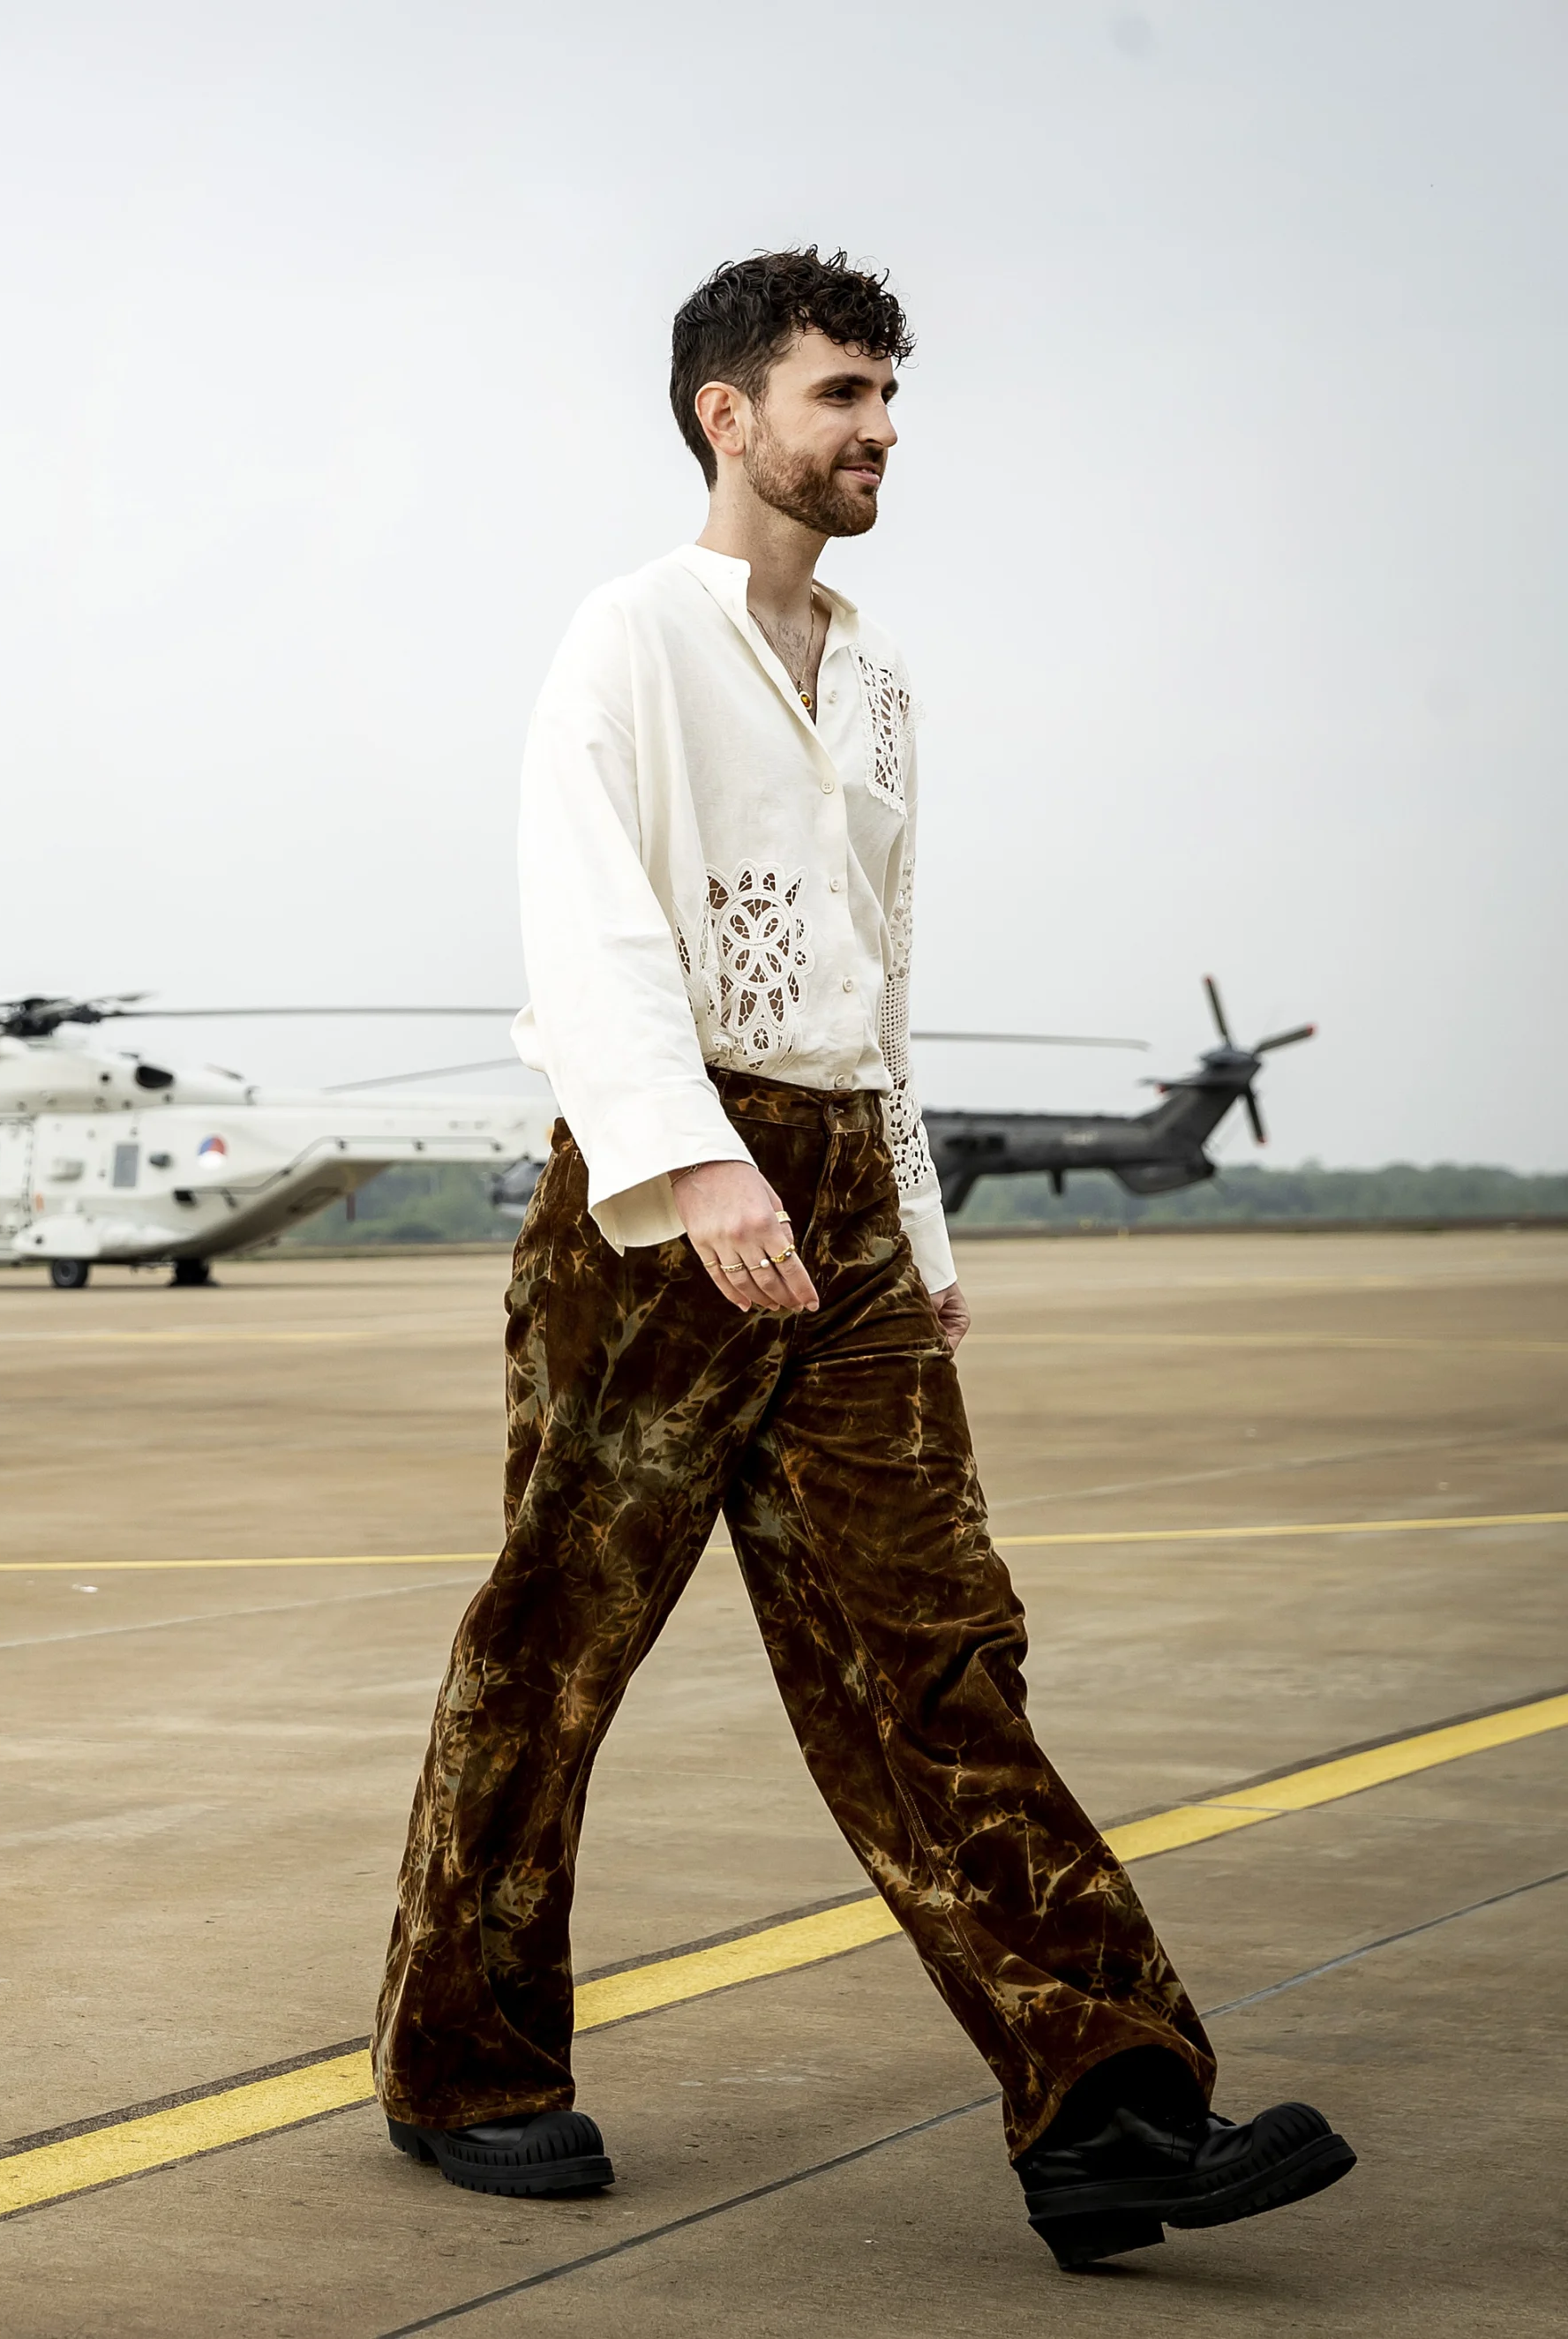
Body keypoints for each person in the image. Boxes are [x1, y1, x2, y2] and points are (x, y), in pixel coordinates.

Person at [370, 250, 1352, 2270]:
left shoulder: (881, 670)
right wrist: (690, 1165)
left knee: (935, 1649)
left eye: (888, 397)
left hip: (841, 1200)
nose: (878, 431)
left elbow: (874, 979)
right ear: (725, 414)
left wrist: (897, 1208)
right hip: (657, 1207)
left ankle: (1105, 2105)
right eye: (839, 395)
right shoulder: (627, 636)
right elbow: (588, 926)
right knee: (551, 1649)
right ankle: (459, 2065)